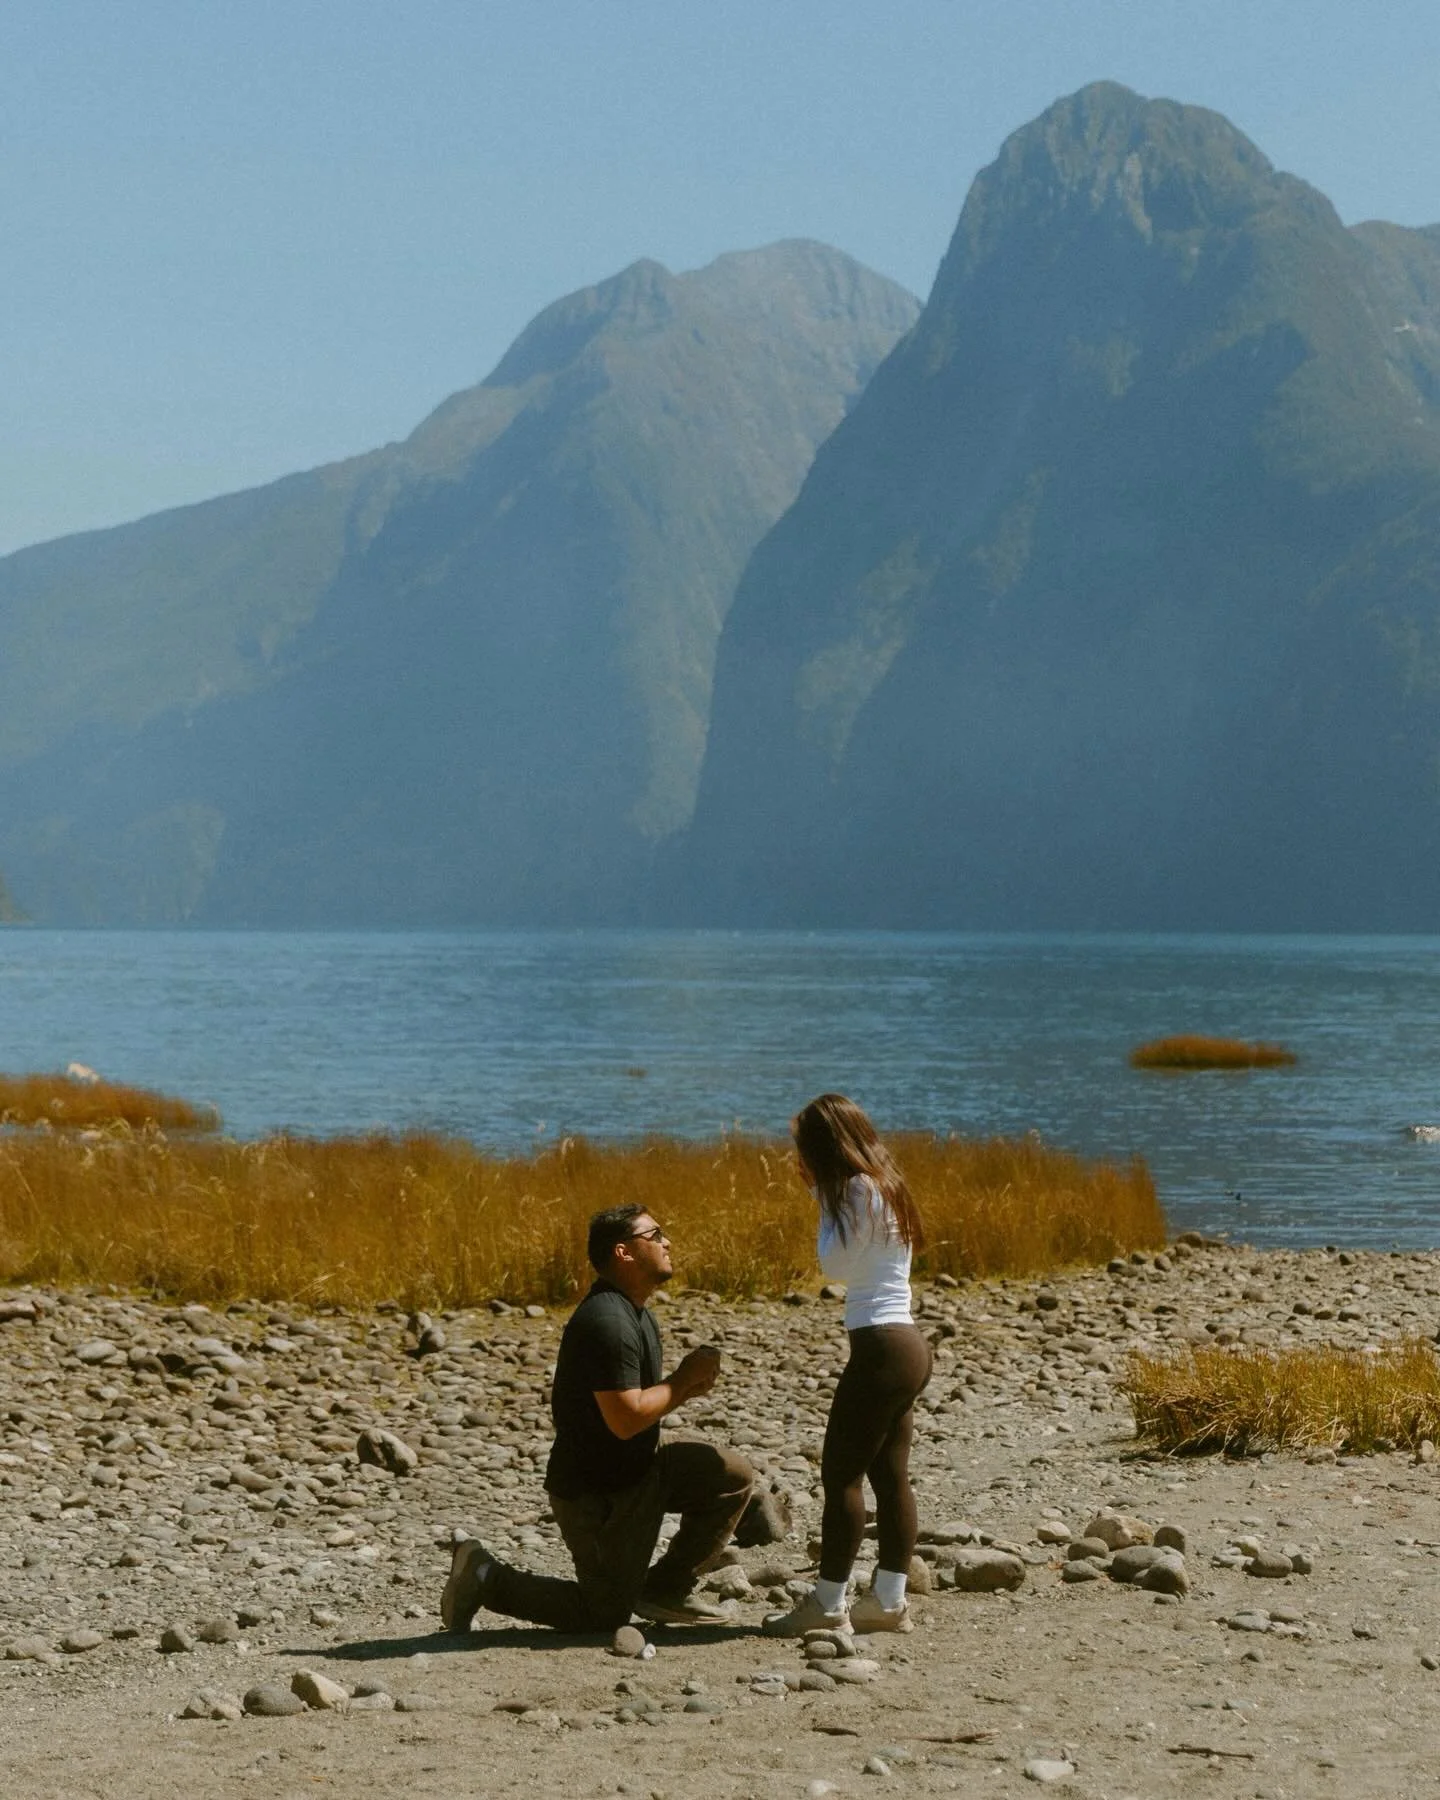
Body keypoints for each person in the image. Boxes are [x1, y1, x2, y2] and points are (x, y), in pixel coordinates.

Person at [441, 1203, 755, 1633]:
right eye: (656, 1234)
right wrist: (682, 1381)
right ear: (624, 1252)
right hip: (597, 1495)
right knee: (602, 1614)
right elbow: (625, 1420)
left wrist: (686, 1387)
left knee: (730, 1476)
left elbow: (636, 1412)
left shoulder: (638, 1313)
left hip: (637, 1469)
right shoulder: (607, 1320)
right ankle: (484, 1576)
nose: (667, 1243)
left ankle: (665, 1589)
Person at [764, 1093, 932, 1636]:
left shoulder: (856, 1189)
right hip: (904, 1342)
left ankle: (829, 1604)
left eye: (802, 1148)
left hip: (882, 1347)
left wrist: (818, 1192)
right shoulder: (887, 1183)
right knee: (890, 1477)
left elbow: (834, 1265)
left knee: (841, 1477)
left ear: (822, 1146)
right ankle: (887, 1601)